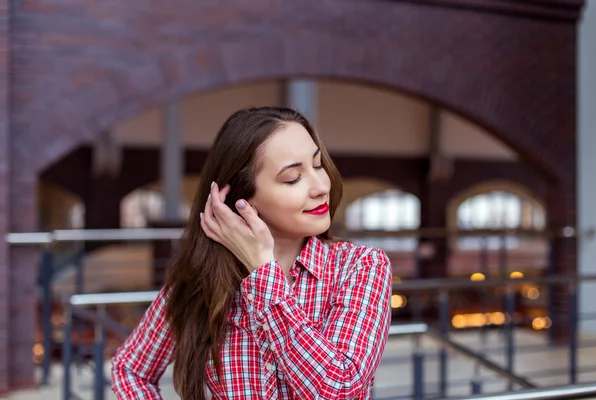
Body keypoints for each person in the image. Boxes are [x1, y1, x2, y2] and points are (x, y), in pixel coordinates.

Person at [111, 106, 392, 399]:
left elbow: (342, 389)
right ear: (241, 199)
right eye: (293, 177)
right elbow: (130, 370)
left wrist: (263, 271)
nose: (321, 187)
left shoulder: (359, 266)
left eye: (318, 165)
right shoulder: (200, 279)